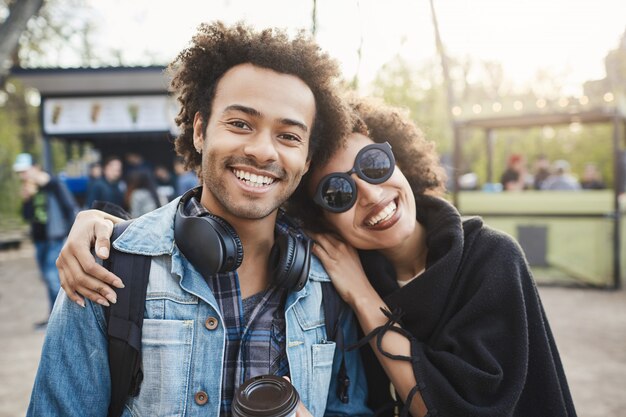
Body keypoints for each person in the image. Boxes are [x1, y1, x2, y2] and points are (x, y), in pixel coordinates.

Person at [58, 95, 578, 416]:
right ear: (320, 219)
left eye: (374, 165)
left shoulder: (490, 258)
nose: (371, 196)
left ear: (399, 158)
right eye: (337, 194)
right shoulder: (330, 273)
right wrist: (105, 225)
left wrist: (362, 295)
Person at [28, 21, 370, 417]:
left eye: (289, 136)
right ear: (200, 130)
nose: (262, 151)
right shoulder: (104, 268)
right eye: (240, 124)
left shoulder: (329, 284)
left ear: (307, 159)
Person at [13, 153, 79, 327]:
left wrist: (71, 237)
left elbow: (69, 208)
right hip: (39, 239)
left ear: (36, 168)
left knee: (52, 277)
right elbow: (27, 216)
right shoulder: (30, 188)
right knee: (47, 277)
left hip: (55, 238)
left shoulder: (54, 184)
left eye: (25, 171)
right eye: (20, 173)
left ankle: (62, 320)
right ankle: (54, 317)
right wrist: (27, 199)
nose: (22, 176)